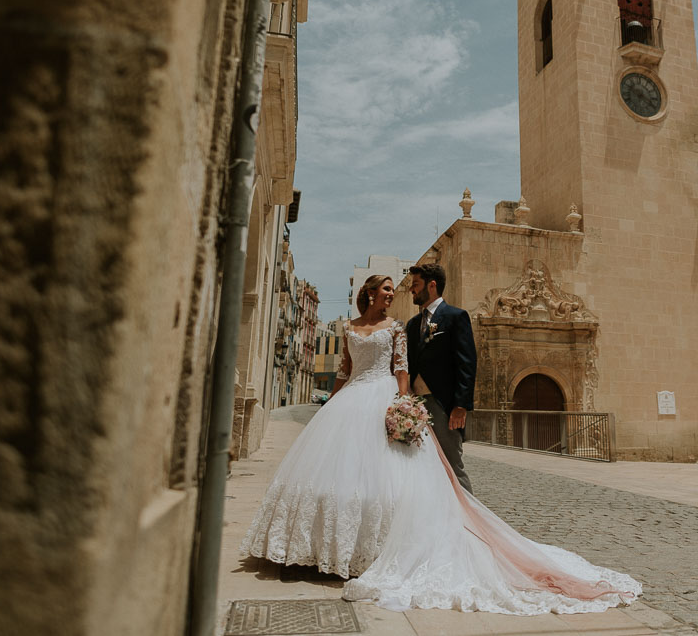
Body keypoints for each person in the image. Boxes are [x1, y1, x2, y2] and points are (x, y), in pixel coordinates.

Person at [240, 272, 639, 614]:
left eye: (405, 287)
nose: (395, 294)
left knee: (437, 472)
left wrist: (414, 404)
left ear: (428, 286)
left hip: (402, 399)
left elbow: (424, 367)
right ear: (367, 294)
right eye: (386, 290)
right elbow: (346, 369)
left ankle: (466, 525)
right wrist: (332, 403)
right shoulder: (379, 327)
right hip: (352, 402)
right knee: (348, 473)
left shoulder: (424, 322)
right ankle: (327, 547)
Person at [406, 263, 476, 493]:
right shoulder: (413, 324)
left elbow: (467, 364)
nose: (411, 290)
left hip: (444, 406)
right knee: (418, 464)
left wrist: (460, 406)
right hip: (415, 407)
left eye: (415, 285)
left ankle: (471, 519)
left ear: (432, 285)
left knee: (452, 465)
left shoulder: (456, 317)